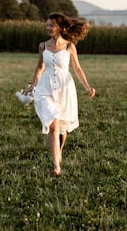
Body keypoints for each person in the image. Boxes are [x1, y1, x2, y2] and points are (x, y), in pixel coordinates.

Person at [23, 13, 95, 176]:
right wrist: (32, 85)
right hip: (45, 88)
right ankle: (56, 167)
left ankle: (58, 151)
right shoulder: (43, 46)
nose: (48, 28)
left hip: (65, 88)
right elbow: (40, 67)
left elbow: (77, 68)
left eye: (51, 25)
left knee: (62, 129)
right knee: (53, 126)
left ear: (60, 27)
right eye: (47, 25)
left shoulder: (69, 46)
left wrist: (87, 87)